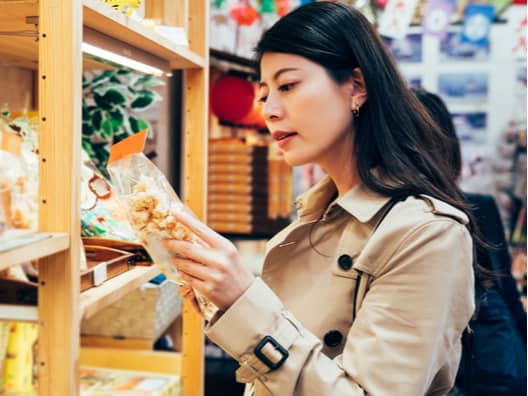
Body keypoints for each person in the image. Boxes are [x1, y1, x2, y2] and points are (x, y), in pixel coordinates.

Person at [163, 2, 484, 395]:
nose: (269, 110)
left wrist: (245, 301)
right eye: (263, 93)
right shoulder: (318, 217)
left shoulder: (427, 233)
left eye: (288, 85)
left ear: (357, 86)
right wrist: (225, 303)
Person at [413, 88, 527, 395]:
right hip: (499, 367)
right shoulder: (479, 206)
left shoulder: (399, 221)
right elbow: (510, 298)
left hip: (461, 373)